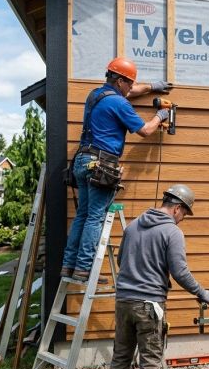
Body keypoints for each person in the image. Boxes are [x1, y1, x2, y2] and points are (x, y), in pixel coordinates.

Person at [105, 184, 209, 369]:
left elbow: (121, 262)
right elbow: (180, 271)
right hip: (149, 306)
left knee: (121, 357)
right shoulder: (172, 232)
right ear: (177, 208)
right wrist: (201, 292)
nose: (183, 218)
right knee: (150, 361)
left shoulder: (133, 226)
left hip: (124, 301)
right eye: (185, 213)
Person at [61, 57, 174, 281]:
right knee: (95, 217)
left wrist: (153, 87)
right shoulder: (120, 104)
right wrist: (160, 116)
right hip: (102, 164)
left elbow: (130, 93)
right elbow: (144, 130)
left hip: (82, 162)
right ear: (120, 81)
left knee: (82, 215)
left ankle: (68, 266)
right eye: (129, 83)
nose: (132, 87)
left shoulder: (96, 95)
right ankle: (84, 268)